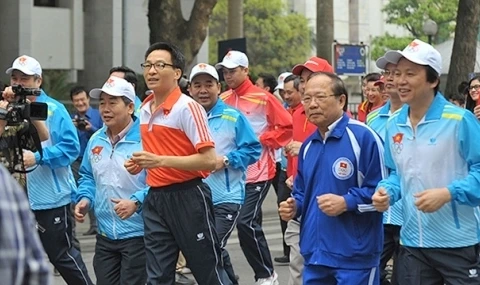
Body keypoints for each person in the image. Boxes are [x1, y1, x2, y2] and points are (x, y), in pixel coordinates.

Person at [372, 39, 480, 285]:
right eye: (397, 73)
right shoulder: (393, 124)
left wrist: (448, 193)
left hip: (457, 242)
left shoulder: (459, 120)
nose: (400, 80)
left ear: (433, 80)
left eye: (410, 74)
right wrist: (386, 191)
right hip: (412, 242)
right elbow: (396, 174)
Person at [126, 42, 231, 285]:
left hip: (189, 197)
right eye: (148, 65)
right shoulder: (144, 108)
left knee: (208, 272)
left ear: (176, 73)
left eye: (160, 65)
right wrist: (142, 162)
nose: (152, 70)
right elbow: (160, 150)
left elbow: (208, 160)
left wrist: (159, 161)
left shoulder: (188, 107)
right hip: (155, 199)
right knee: (158, 275)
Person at [279, 72, 385, 284]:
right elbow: (301, 192)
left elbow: (383, 194)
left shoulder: (363, 137)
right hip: (315, 255)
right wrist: (295, 206)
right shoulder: (309, 145)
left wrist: (346, 202)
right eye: (307, 98)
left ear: (341, 100)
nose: (312, 104)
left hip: (355, 256)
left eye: (320, 97)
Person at [4, 55, 93, 285]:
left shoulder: (54, 109)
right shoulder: (7, 109)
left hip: (51, 198)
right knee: (17, 258)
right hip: (16, 197)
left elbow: (71, 148)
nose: (18, 83)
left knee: (61, 255)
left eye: (24, 78)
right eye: (15, 77)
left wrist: (39, 157)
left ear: (38, 81)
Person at [216, 50, 293, 285]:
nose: (228, 76)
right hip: (228, 175)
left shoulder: (263, 98)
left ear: (245, 70)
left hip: (258, 171)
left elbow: (286, 126)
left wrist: (261, 140)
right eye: (225, 71)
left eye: (233, 71)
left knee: (245, 222)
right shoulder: (224, 99)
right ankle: (229, 277)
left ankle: (266, 274)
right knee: (217, 232)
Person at [189, 62, 262, 284]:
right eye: (197, 85)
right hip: (196, 197)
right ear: (190, 89)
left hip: (227, 198)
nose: (203, 90)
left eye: (208, 84)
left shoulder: (233, 117)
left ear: (218, 87)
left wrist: (227, 160)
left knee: (209, 249)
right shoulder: (186, 117)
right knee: (212, 248)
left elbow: (253, 149)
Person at [75, 76, 148, 285]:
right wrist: (85, 198)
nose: (105, 109)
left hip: (138, 235)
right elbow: (87, 176)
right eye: (102, 103)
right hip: (105, 236)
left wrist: (136, 202)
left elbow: (160, 182)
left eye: (112, 102)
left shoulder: (146, 140)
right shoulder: (96, 139)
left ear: (130, 107)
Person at [283, 56, 334, 285]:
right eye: (302, 80)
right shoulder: (296, 113)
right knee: (298, 264)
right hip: (301, 199)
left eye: (311, 78)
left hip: (328, 206)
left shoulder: (336, 118)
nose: (304, 85)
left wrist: (302, 147)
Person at [367, 55, 404, 285]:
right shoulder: (373, 118)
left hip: (408, 214)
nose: (389, 78)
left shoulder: (416, 116)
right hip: (379, 213)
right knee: (372, 271)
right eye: (387, 73)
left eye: (396, 73)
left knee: (407, 276)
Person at [0, 163, 51, 285]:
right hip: (32, 201)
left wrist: (37, 157)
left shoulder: (4, 180)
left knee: (59, 250)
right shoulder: (4, 179)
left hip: (50, 200)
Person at [70, 85, 102, 236]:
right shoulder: (71, 119)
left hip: (95, 158)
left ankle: (96, 225)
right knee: (77, 192)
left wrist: (91, 128)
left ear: (88, 99)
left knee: (96, 190)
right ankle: (74, 227)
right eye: (76, 101)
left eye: (82, 99)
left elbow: (105, 135)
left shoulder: (99, 114)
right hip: (76, 161)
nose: (80, 103)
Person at [0, 88, 49, 188]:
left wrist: (28, 108)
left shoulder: (14, 127)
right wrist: (1, 124)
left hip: (16, 193)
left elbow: (43, 136)